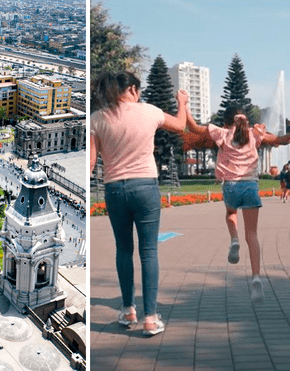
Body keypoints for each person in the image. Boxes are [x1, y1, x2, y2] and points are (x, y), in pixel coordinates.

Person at [90, 71, 188, 336]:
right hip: (145, 187)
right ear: (132, 89)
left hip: (114, 190)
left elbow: (90, 163)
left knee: (123, 251)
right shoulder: (150, 112)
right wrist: (182, 102)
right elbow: (181, 125)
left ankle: (127, 310)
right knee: (148, 252)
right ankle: (150, 319)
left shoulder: (97, 118)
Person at [185, 104, 290, 304]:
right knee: (253, 235)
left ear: (227, 121)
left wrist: (184, 105)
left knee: (231, 213)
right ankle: (256, 277)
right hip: (250, 187)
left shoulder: (221, 133)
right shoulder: (254, 135)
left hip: (230, 187)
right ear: (245, 120)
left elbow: (193, 127)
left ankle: (234, 240)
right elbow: (281, 140)